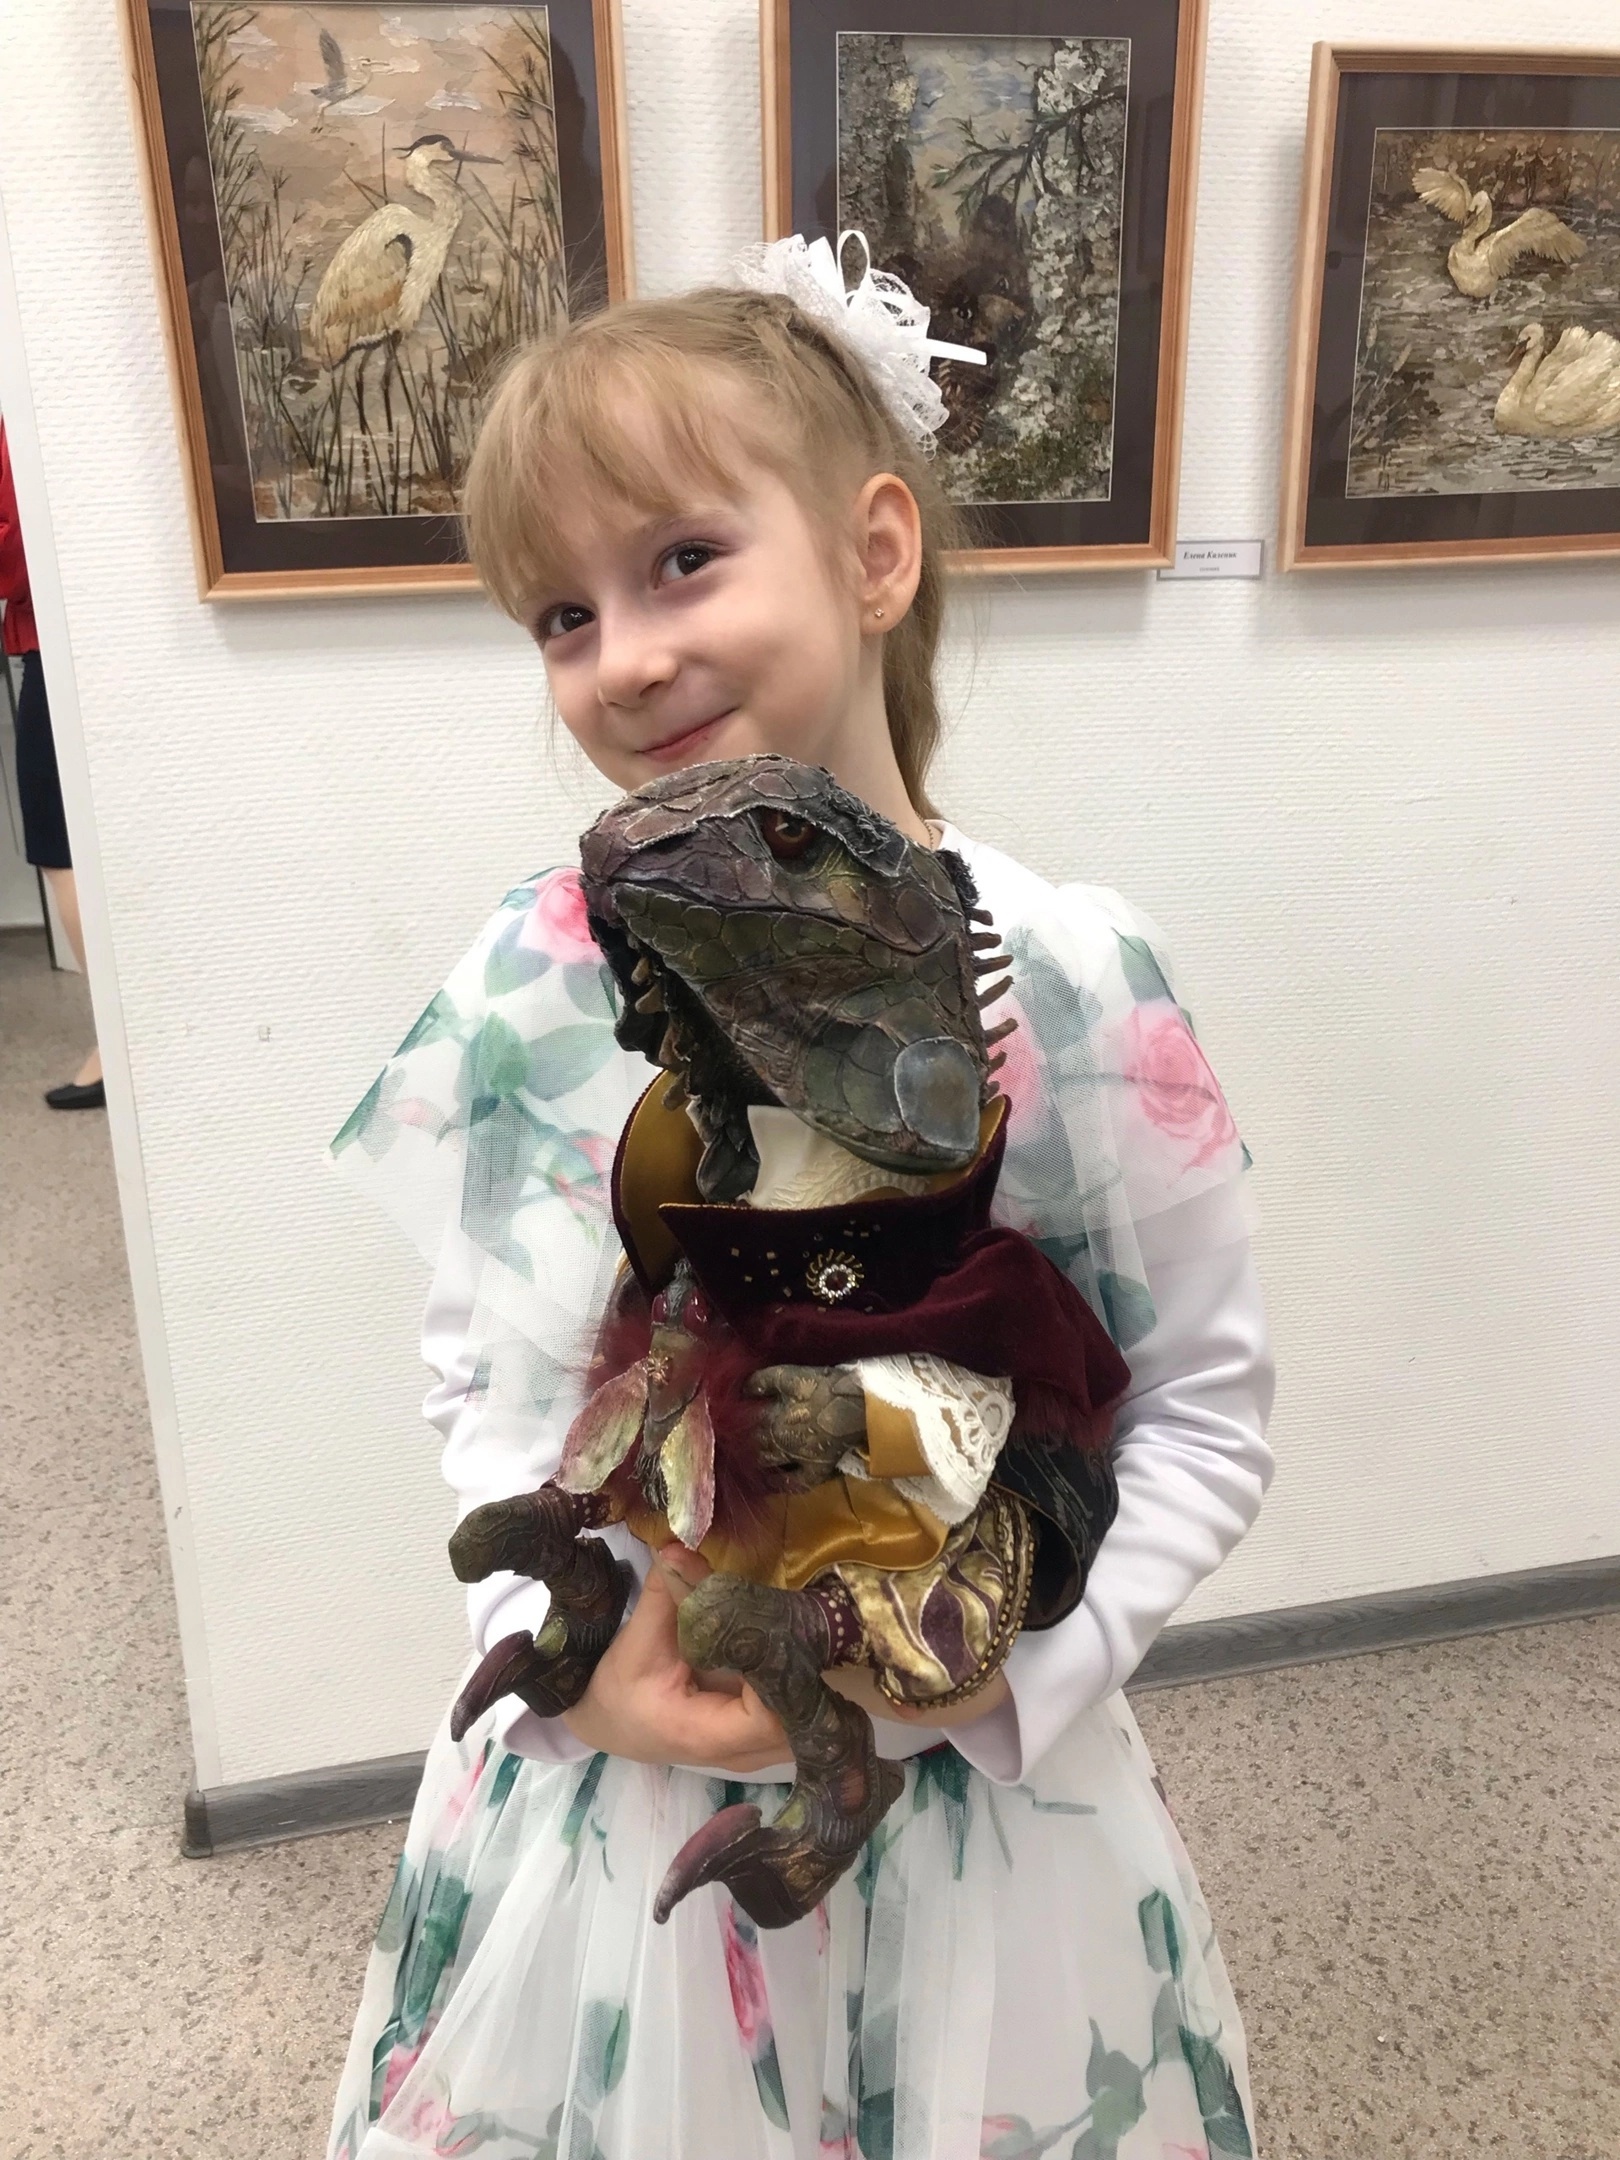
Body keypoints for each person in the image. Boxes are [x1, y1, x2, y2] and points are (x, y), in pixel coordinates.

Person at [325, 239, 1275, 2160]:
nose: (623, 655)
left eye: (682, 559)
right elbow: (487, 1377)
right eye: (561, 614)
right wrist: (596, 1674)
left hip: (983, 1796)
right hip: (613, 1789)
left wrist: (979, 1696)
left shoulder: (1072, 974)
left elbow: (1200, 1407)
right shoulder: (539, 972)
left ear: (875, 553)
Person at [0, 421, 104, 1109]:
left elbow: (17, 552)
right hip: (57, 639)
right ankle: (119, 1037)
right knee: (63, 842)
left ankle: (119, 1043)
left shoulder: (13, 420)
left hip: (56, 644)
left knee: (60, 845)